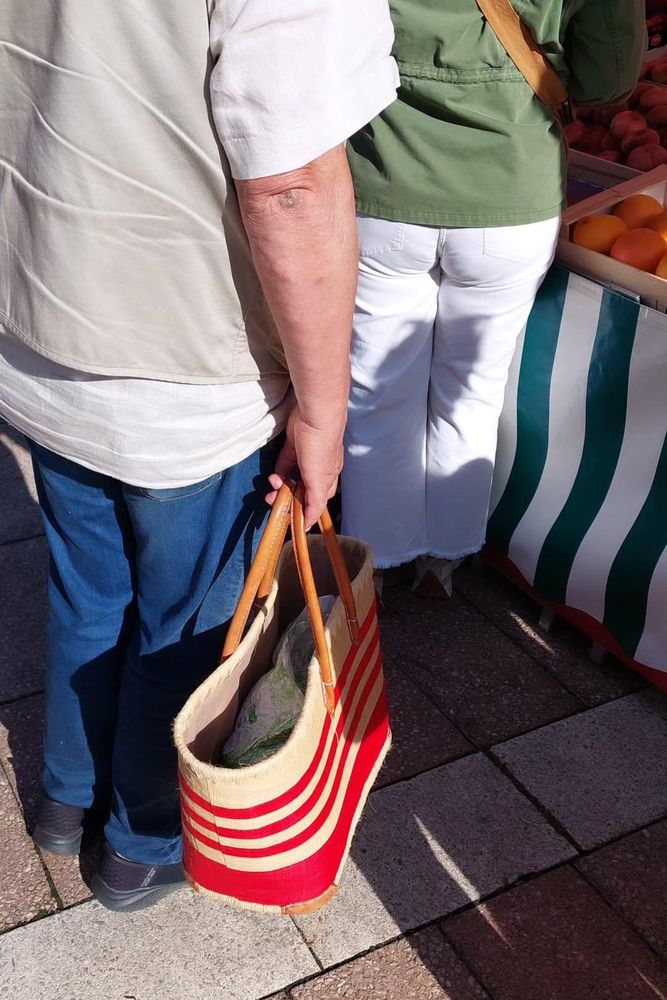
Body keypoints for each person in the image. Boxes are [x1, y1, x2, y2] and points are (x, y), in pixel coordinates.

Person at [0, 2, 398, 911]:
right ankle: (140, 843)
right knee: (185, 626)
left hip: (39, 314)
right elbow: (290, 181)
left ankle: (66, 799)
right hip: (187, 358)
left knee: (88, 590)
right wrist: (323, 411)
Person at [341, 0, 646, 599]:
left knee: (376, 389)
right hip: (510, 193)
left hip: (382, 180)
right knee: (472, 389)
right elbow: (606, 77)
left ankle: (376, 563)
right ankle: (445, 560)